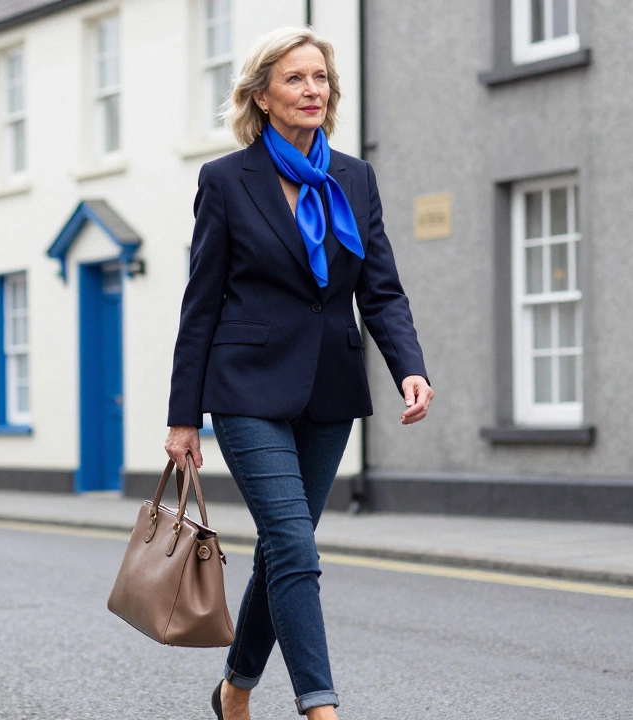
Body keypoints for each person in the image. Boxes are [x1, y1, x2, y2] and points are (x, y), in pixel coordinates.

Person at [165, 25, 433, 720]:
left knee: (284, 549)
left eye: (321, 78)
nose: (313, 90)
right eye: (295, 78)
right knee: (295, 547)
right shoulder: (227, 180)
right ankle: (321, 707)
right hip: (246, 386)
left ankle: (235, 689)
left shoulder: (355, 177)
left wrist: (409, 366)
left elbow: (379, 287)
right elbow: (200, 304)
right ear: (261, 95)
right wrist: (182, 417)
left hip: (329, 387)